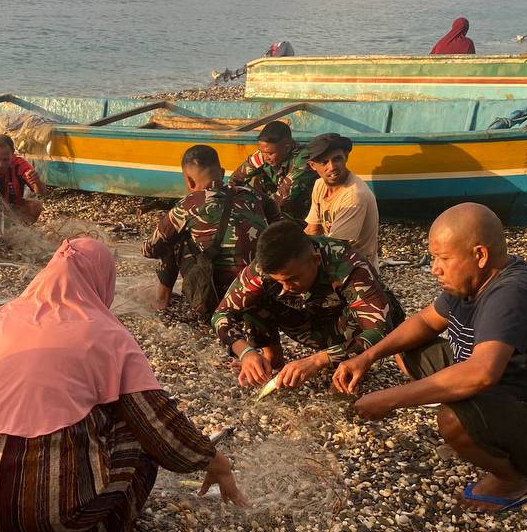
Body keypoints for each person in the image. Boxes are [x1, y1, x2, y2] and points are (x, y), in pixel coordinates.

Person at [0, 237, 246, 532]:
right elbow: (161, 428)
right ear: (101, 281)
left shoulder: (3, 316)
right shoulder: (107, 335)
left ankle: (0, 493)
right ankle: (99, 531)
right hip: (49, 518)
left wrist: (5, 403)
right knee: (132, 418)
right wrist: (214, 461)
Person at [333, 204, 527, 512]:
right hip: (507, 392)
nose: (435, 268)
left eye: (443, 258)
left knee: (453, 419)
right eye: (433, 258)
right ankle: (474, 418)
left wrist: (391, 399)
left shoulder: (511, 293)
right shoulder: (468, 284)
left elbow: (482, 373)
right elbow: (424, 322)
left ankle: (512, 483)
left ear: (480, 256)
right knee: (406, 347)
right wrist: (368, 356)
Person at [212, 221, 396, 390]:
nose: (287, 288)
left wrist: (317, 361)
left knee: (375, 316)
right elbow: (221, 314)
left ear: (315, 260)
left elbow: (381, 331)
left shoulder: (349, 265)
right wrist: (246, 353)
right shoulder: (263, 269)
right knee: (253, 299)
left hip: (345, 330)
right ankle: (271, 358)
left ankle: (352, 366)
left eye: (292, 279)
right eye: (280, 281)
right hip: (305, 323)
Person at [142, 144, 275, 316]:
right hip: (261, 289)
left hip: (215, 296)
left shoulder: (188, 205)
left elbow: (150, 250)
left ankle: (162, 302)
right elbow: (277, 220)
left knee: (174, 238)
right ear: (221, 172)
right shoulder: (253, 194)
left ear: (189, 181)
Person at [303, 133, 380, 269]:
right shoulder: (320, 185)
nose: (331, 167)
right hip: (332, 257)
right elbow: (313, 229)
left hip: (355, 270)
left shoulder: (354, 196)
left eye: (337, 159)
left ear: (346, 156)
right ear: (313, 166)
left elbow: (335, 247)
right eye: (324, 162)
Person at [229, 121, 317, 224]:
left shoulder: (303, 159)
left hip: (301, 217)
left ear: (287, 147)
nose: (266, 157)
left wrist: (252, 211)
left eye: (271, 153)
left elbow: (282, 197)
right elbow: (235, 180)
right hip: (272, 212)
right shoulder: (263, 154)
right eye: (262, 152)